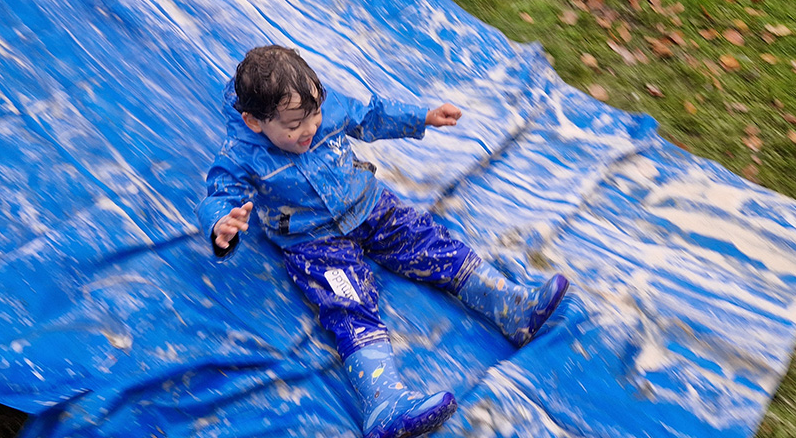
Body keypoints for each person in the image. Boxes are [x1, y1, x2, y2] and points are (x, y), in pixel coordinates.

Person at [197, 45, 570, 438]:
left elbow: (370, 115)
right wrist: (222, 224)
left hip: (369, 204)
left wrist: (422, 117)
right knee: (347, 303)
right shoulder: (242, 153)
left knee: (430, 241)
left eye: (315, 114)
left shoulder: (319, 108)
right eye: (293, 126)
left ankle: (510, 306)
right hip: (313, 241)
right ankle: (383, 403)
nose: (309, 129)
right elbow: (221, 191)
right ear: (255, 122)